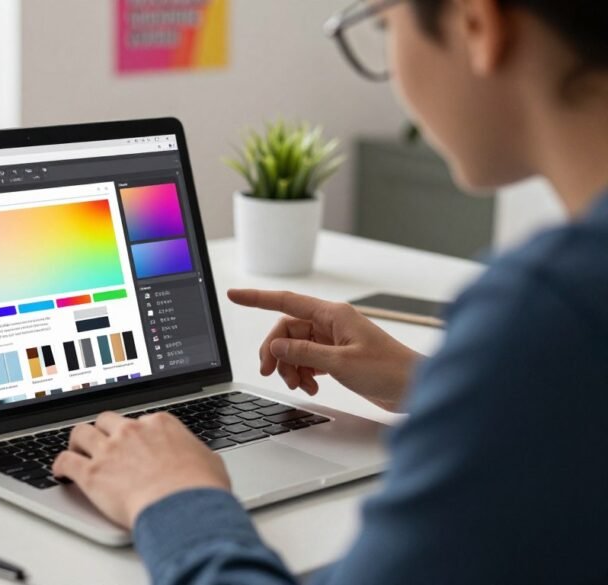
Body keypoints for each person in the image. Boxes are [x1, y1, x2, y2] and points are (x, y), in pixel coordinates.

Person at [52, 0, 608, 582]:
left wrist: (173, 497)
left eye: (385, 26)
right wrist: (440, 383)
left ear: (478, 26)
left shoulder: (544, 315)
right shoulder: (559, 328)